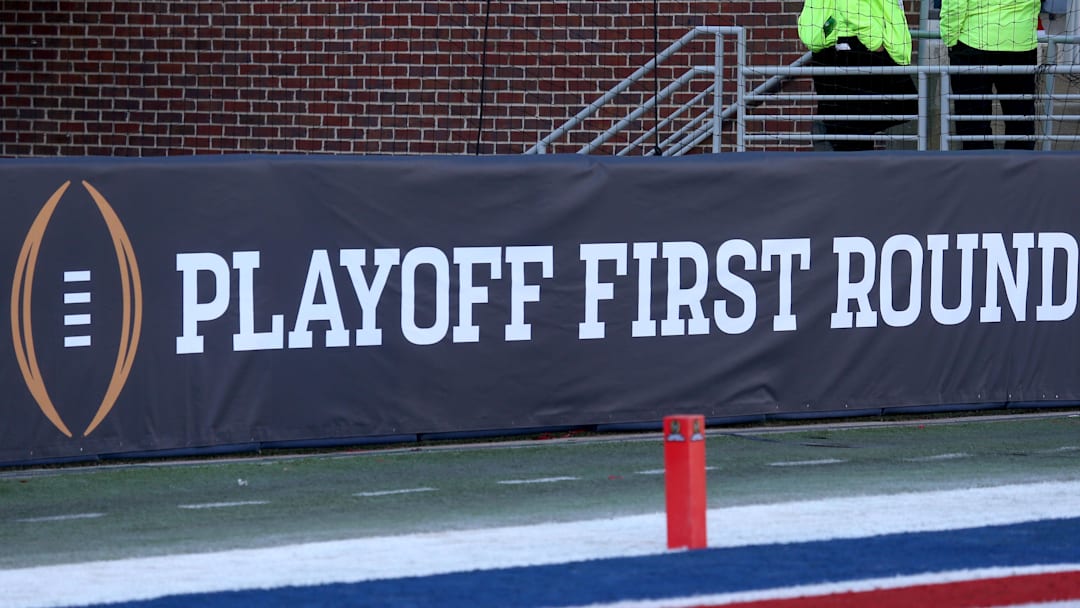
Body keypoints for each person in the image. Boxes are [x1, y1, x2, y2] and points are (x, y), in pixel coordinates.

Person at [798, 0, 919, 151]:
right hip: (854, 49)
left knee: (852, 126)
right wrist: (875, 42)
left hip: (839, 46)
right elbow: (849, 7)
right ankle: (829, 132)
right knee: (852, 127)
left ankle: (829, 131)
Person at [940, 0, 1040, 150]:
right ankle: (1020, 170)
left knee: (973, 123)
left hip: (972, 42)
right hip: (1021, 42)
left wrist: (950, 38)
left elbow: (955, 5)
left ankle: (979, 170)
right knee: (1020, 120)